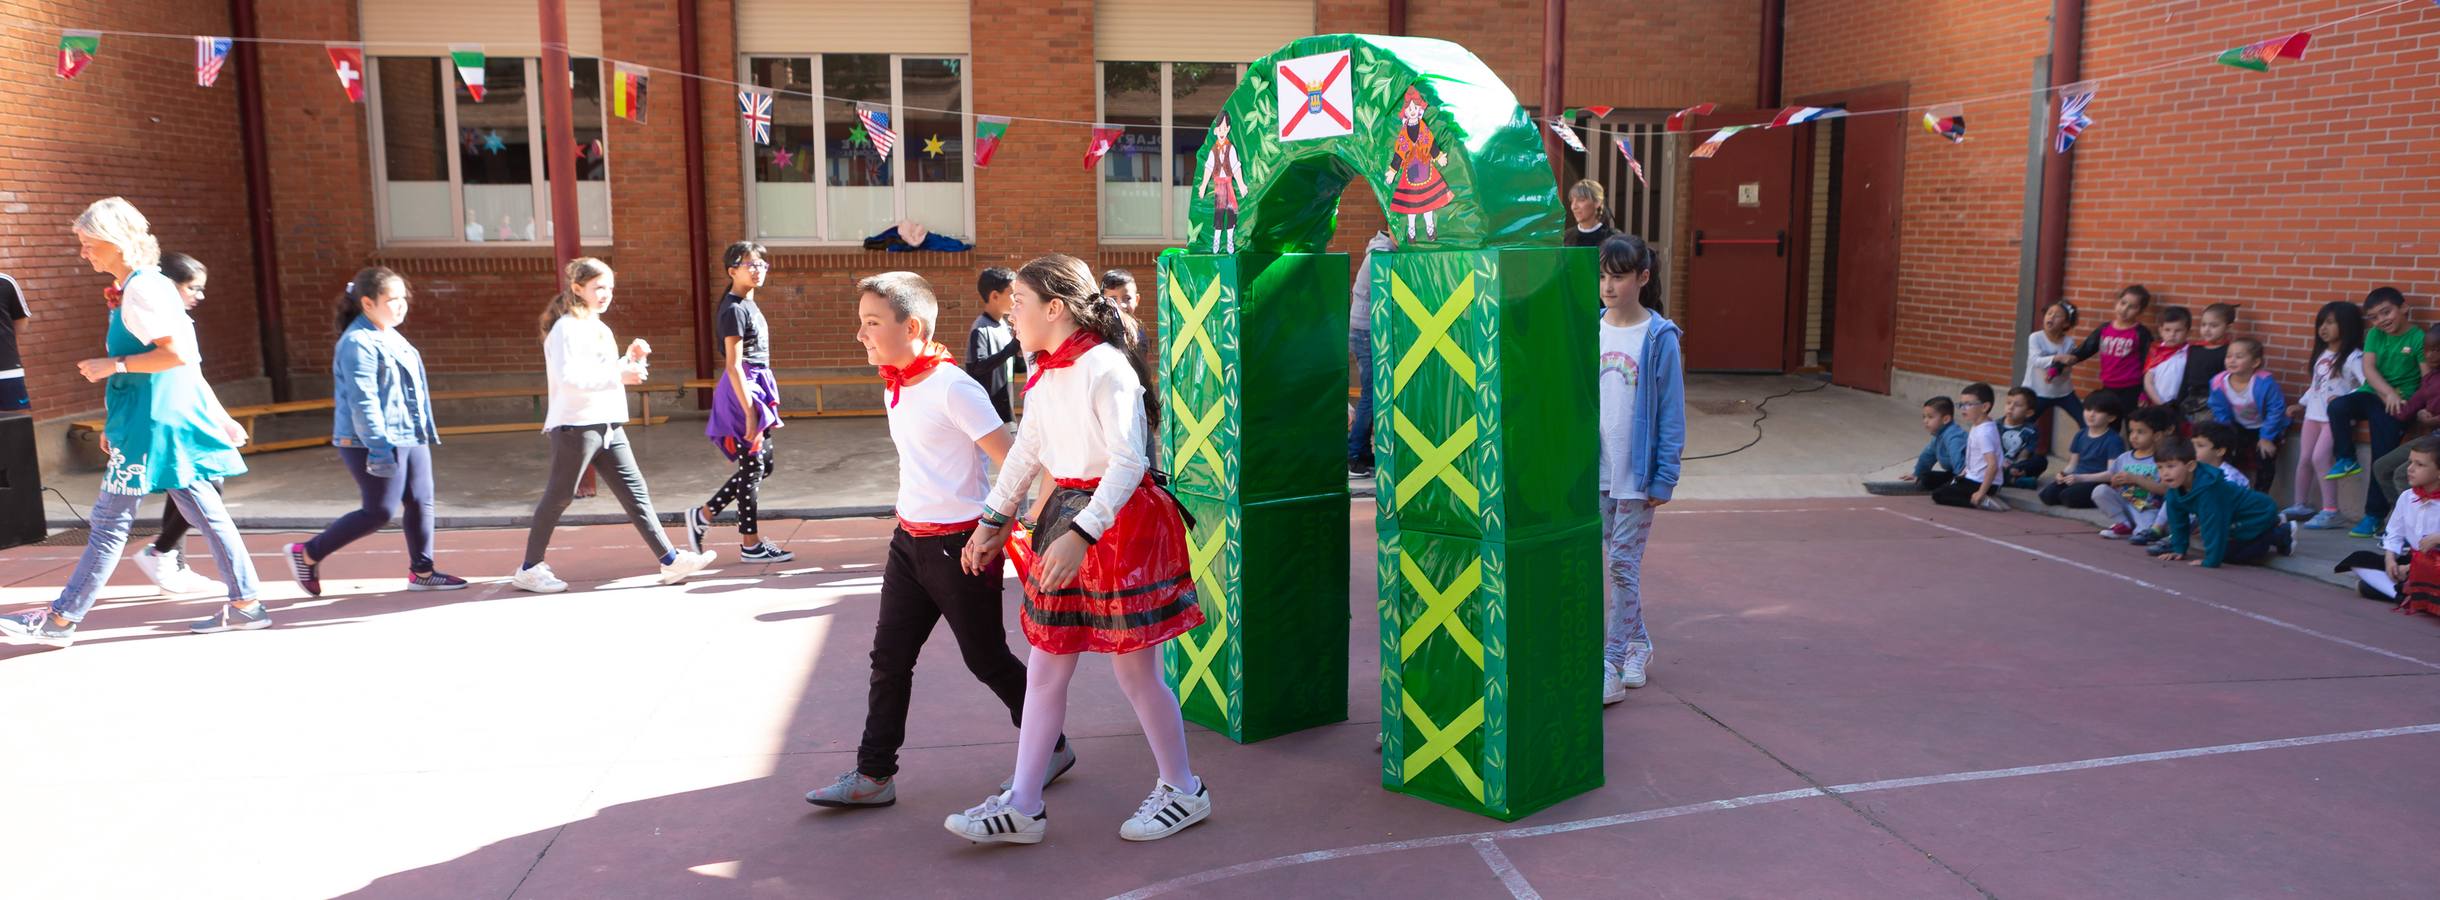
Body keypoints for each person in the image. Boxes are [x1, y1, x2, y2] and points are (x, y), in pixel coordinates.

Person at [943, 255, 1207, 846]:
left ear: (1054, 309)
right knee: (1045, 667)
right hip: (1068, 516)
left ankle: (1184, 789)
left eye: (1020, 305)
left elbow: (1129, 460)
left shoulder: (1105, 367)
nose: (1011, 315)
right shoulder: (1046, 371)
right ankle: (1024, 803)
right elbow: (1027, 448)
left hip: (1118, 526)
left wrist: (1082, 533)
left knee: (1135, 672)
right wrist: (992, 518)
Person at [806, 271, 1072, 809]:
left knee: (986, 658)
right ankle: (874, 773)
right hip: (908, 544)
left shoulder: (953, 386)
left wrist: (996, 528)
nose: (861, 334)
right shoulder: (896, 380)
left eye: (872, 323)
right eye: (861, 323)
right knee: (888, 658)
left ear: (915, 326)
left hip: (961, 550)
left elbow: (1019, 463)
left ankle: (1053, 747)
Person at [0, 198, 265, 647]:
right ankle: (247, 604)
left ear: (117, 241)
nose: (84, 252)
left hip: (150, 427)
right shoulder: (148, 285)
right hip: (157, 421)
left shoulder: (143, 289)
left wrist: (113, 366)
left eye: (88, 243)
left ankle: (62, 619)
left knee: (109, 523)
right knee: (206, 512)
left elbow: (175, 355)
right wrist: (215, 415)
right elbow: (188, 361)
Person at [515, 258, 716, 593]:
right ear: (578, 289)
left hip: (608, 423)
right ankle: (529, 568)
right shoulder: (566, 328)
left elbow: (606, 374)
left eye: (610, 287)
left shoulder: (599, 328)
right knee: (559, 496)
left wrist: (632, 359)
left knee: (636, 493)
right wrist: (619, 373)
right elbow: (570, 378)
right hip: (576, 425)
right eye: (598, 288)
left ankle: (670, 560)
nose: (606, 294)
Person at [283, 268, 467, 596]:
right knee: (379, 510)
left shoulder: (390, 334)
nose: (401, 305)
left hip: (408, 433)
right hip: (370, 440)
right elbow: (363, 402)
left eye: (403, 298)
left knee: (421, 502)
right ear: (367, 303)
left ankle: (422, 572)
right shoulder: (357, 342)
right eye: (392, 299)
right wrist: (379, 450)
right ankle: (308, 553)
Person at [1593, 233, 1684, 703]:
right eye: (1604, 276)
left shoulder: (1658, 337)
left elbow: (1671, 411)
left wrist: (1665, 475)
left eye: (1619, 276)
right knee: (1610, 562)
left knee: (1623, 566)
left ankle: (1610, 661)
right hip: (1599, 473)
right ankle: (1638, 642)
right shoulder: (1591, 328)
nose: (1609, 286)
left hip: (1638, 476)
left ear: (1643, 278)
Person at [126, 252, 231, 598]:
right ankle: (161, 552)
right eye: (193, 288)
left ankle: (169, 557)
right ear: (169, 286)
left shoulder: (183, 323)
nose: (199, 296)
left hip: (188, 413)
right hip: (166, 416)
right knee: (205, 486)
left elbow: (195, 376)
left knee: (197, 484)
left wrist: (221, 418)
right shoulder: (152, 321)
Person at [688, 241, 792, 564]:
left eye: (762, 264)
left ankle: (703, 515)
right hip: (743, 388)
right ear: (732, 270)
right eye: (750, 264)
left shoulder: (748, 303)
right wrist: (749, 410)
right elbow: (733, 365)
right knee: (753, 466)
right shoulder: (733, 309)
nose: (758, 269)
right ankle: (750, 543)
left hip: (756, 383)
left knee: (763, 465)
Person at [2324, 288, 2425, 536]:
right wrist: (2386, 392)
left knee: (2381, 458)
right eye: (2374, 317)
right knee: (2337, 406)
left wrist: (2418, 406)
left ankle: (2374, 515)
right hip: (2374, 394)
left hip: (2399, 404)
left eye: (2386, 312)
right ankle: (2346, 458)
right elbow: (2368, 369)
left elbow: (2427, 378)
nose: (2381, 320)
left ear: (2403, 308)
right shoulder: (2375, 335)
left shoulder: (2418, 338)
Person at [2150, 435, 2295, 569]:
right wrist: (2178, 549)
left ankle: (2280, 533)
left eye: (2171, 466)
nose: (2165, 473)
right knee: (2226, 546)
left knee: (2232, 553)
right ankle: (2272, 527)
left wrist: (2210, 561)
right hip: (2235, 516)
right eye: (2160, 467)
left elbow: (2213, 524)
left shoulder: (2209, 490)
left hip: (2258, 511)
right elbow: (2177, 521)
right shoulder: (2175, 490)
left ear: (2190, 466)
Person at [2287, 301, 2368, 530]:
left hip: (2334, 420)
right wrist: (2301, 404)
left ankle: (2331, 511)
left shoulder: (2354, 357)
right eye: (2321, 322)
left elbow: (2366, 385)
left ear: (2348, 325)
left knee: (2320, 458)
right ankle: (2300, 504)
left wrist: (2344, 400)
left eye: (2331, 322)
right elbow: (2317, 385)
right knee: (2304, 459)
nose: (2324, 328)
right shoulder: (2322, 353)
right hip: (2313, 415)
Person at [2338, 436, 2440, 609]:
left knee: (2367, 587)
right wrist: (2390, 560)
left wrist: (2437, 538)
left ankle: (2403, 593)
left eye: (2420, 465)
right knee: (2358, 560)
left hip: (2434, 564)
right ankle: (2404, 593)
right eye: (2410, 462)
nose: (2410, 469)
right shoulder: (2407, 497)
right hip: (2414, 561)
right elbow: (2393, 533)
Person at [2363, 330, 2440, 529]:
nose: (2430, 355)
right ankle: (2404, 519)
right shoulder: (2430, 379)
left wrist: (2432, 421)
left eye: (2436, 350)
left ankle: (2416, 528)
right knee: (2381, 467)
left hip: (2435, 439)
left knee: (2401, 474)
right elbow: (2408, 410)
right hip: (2432, 438)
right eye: (2427, 350)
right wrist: (2386, 398)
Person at [2053, 285, 2155, 418]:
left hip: (2132, 390)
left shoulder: (2141, 333)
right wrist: (2058, 367)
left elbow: (2149, 364)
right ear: (2117, 302)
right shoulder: (2104, 329)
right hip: (2108, 388)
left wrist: (2145, 392)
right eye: (2123, 303)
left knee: (2133, 428)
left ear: (2140, 311)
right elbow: (2084, 350)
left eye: (2132, 307)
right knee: (2109, 427)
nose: (2124, 310)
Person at [2209, 337, 2288, 494]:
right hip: (2238, 426)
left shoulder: (2264, 382)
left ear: (2255, 362)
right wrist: (2227, 433)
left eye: (2239, 357)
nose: (2232, 360)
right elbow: (2218, 409)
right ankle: (2229, 493)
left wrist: (2266, 437)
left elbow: (2276, 409)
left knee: (2265, 457)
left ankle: (2260, 498)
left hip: (2265, 427)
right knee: (2227, 454)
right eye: (2229, 356)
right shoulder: (2218, 382)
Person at [1349, 230, 1395, 478]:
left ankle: (1363, 452)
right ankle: (1355, 455)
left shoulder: (1381, 252)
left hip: (1364, 330)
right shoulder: (1381, 256)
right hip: (1367, 332)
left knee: (1373, 393)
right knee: (1372, 395)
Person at [2093, 405, 2174, 540]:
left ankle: (2138, 527)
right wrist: (2115, 482)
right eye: (2131, 431)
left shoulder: (2162, 460)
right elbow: (2113, 480)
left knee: (2144, 533)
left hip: (2145, 507)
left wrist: (2136, 479)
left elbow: (2165, 490)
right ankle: (2123, 523)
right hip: (2124, 501)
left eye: (2141, 432)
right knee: (2100, 491)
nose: (2134, 437)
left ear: (2157, 436)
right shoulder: (2124, 457)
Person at [2040, 393, 2129, 509]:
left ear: (2111, 417)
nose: (2091, 415)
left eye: (2098, 411)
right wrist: (2062, 474)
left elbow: (2111, 473)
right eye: (2088, 409)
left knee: (2069, 497)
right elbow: (2072, 465)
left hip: (2098, 482)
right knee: (2047, 495)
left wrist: (2081, 478)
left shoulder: (2114, 440)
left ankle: (2104, 499)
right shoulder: (2081, 434)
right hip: (2076, 478)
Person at [1864, 398, 1963, 495]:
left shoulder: (1954, 438)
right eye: (1924, 417)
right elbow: (1927, 456)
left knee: (1941, 493)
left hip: (1967, 477)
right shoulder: (1938, 436)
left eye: (1930, 417)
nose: (1925, 421)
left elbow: (1959, 463)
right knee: (1926, 477)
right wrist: (1917, 474)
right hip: (1953, 474)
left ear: (1946, 419)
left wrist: (1957, 484)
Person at [1933, 383, 2008, 512]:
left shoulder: (1984, 433)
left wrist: (1981, 492)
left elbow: (1992, 465)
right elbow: (1975, 457)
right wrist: (1965, 472)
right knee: (1935, 482)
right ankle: (1979, 494)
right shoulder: (1980, 425)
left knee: (1939, 495)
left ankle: (1984, 501)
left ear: (1985, 407)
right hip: (1973, 477)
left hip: (1983, 483)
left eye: (1968, 404)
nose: (1963, 408)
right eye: (1961, 404)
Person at [963, 266, 1024, 424]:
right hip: (987, 416)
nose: (1016, 299)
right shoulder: (981, 329)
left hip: (1005, 410)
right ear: (995, 296)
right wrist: (1012, 348)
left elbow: (1009, 365)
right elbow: (977, 366)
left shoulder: (1004, 325)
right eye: (1012, 294)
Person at [2023, 300, 2085, 452]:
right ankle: (2019, 456)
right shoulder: (2036, 337)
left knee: (2085, 421)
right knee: (2023, 424)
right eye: (2049, 313)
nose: (2051, 317)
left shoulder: (2069, 342)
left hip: (2063, 392)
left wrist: (2058, 369)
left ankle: (2084, 454)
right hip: (2037, 392)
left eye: (2057, 316)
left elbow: (2067, 365)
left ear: (2065, 324)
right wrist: (2058, 358)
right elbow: (2035, 360)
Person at [2177, 303, 2237, 423]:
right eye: (2203, 325)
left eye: (2214, 325)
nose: (2207, 329)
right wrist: (2179, 400)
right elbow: (2186, 377)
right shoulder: (2195, 349)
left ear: (2228, 327)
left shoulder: (2228, 352)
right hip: (2190, 401)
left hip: (2213, 405)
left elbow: (2229, 382)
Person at [2140, 306, 2192, 412]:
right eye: (2167, 330)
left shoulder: (2191, 352)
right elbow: (2148, 381)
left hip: (2181, 407)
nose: (2172, 334)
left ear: (2188, 332)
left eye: (2178, 330)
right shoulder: (2155, 351)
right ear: (2160, 331)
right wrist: (2161, 404)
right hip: (2156, 405)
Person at [1999, 387, 2046, 489]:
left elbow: (2024, 455)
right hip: (1997, 463)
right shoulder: (1995, 426)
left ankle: (2013, 477)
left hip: (2017, 464)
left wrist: (2017, 467)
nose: (2010, 407)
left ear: (2028, 413)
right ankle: (2015, 481)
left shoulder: (2031, 430)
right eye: (2008, 403)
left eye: (2017, 405)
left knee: (2041, 460)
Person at [1563, 179, 1615, 248]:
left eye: (1581, 200)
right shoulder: (1565, 238)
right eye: (1572, 201)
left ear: (1597, 202)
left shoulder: (1612, 239)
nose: (1574, 207)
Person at [1100, 268, 1142, 348]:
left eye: (1127, 298)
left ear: (1136, 300)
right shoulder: (1099, 334)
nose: (1121, 305)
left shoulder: (1139, 335)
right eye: (1113, 299)